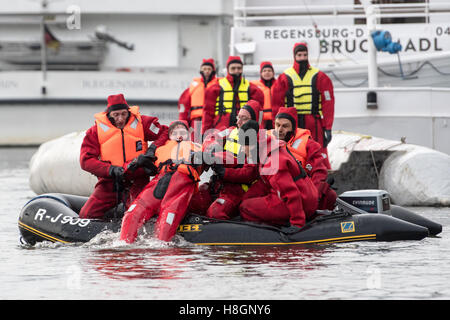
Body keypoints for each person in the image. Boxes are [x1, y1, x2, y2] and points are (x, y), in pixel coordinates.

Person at [79, 93, 168, 220]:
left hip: (138, 180)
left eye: (123, 114)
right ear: (109, 115)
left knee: (139, 216)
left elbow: (165, 132)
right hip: (110, 182)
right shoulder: (95, 132)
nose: (120, 119)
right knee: (86, 214)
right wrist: (110, 169)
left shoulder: (143, 124)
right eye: (116, 115)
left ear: (128, 113)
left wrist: (152, 149)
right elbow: (85, 160)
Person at [120, 120, 204, 243]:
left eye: (182, 131)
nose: (179, 134)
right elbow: (136, 166)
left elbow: (214, 153)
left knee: (169, 216)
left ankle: (162, 247)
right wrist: (134, 163)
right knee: (134, 212)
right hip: (160, 181)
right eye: (175, 131)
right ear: (169, 136)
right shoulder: (159, 150)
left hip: (183, 181)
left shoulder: (198, 148)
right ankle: (124, 244)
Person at [238, 120, 319, 229]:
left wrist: (297, 223)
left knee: (245, 208)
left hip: (302, 203)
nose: (243, 150)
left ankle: (275, 227)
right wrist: (244, 198)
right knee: (245, 202)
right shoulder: (268, 152)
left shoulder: (273, 162)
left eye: (244, 146)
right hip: (305, 198)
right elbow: (264, 184)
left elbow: (291, 193)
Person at [271, 42, 335, 168]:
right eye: (299, 55)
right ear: (294, 56)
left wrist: (327, 127)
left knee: (318, 151)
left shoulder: (320, 76)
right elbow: (276, 103)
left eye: (305, 55)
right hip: (292, 122)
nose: (302, 58)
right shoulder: (285, 77)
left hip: (314, 122)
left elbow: (328, 103)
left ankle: (323, 178)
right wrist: (277, 125)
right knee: (291, 150)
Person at [271, 107, 337, 210]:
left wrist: (315, 196)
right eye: (277, 125)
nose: (279, 130)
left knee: (330, 195)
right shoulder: (266, 140)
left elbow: (319, 172)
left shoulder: (309, 144)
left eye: (285, 126)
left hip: (300, 191)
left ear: (293, 127)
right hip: (275, 191)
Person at [201, 55, 264, 133]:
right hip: (221, 128)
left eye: (239, 68)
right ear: (228, 69)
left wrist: (260, 131)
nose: (236, 71)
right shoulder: (215, 88)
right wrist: (205, 133)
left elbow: (258, 113)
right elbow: (207, 113)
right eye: (233, 68)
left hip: (244, 128)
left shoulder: (252, 89)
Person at [178, 58, 218, 139]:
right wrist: (183, 122)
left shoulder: (219, 84)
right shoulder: (194, 86)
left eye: (209, 69)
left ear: (213, 70)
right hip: (197, 121)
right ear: (201, 70)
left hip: (214, 119)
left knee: (213, 141)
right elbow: (183, 105)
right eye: (204, 69)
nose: (206, 71)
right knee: (196, 143)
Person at [250, 61, 276, 130]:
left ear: (273, 73)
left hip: (276, 118)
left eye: (269, 70)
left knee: (276, 138)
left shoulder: (278, 85)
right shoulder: (255, 86)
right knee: (263, 138)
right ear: (261, 73)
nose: (267, 72)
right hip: (262, 119)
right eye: (264, 71)